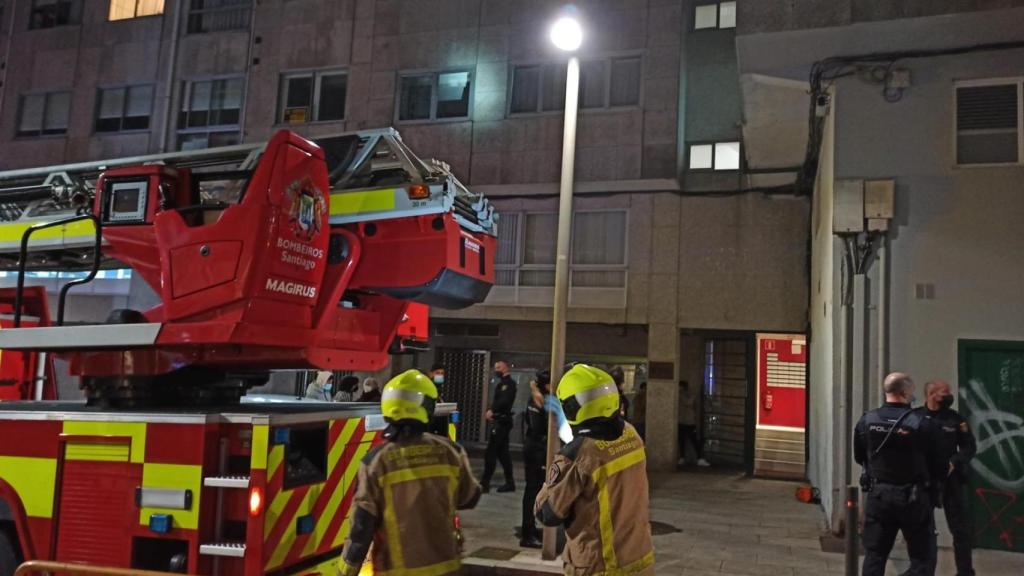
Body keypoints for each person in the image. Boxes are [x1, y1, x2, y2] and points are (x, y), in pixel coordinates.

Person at [337, 370, 482, 576]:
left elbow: (361, 528)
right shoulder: (451, 452)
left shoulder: (376, 462)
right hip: (447, 569)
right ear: (427, 407)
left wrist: (345, 572)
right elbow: (470, 498)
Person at [534, 364, 654, 575]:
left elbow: (547, 513)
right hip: (640, 560)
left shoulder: (577, 455)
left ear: (572, 407)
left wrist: (550, 481)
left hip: (601, 566)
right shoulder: (631, 434)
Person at [854, 372, 944, 576]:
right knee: (922, 559)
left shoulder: (868, 420)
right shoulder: (922, 423)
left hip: (879, 495)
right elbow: (938, 464)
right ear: (905, 393)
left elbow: (860, 456)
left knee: (875, 555)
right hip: (914, 498)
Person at [922, 379, 977, 576]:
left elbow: (969, 446)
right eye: (945, 393)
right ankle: (924, 570)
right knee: (924, 530)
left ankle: (965, 571)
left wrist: (955, 462)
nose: (949, 396)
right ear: (931, 394)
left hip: (951, 479)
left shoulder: (955, 419)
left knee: (960, 530)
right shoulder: (917, 418)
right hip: (926, 480)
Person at [519, 369, 550, 549]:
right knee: (532, 490)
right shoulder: (537, 401)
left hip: (536, 449)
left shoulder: (539, 398)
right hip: (535, 451)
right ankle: (527, 534)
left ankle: (530, 528)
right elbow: (539, 429)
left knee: (536, 489)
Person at [481, 360, 517, 493]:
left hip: (501, 422)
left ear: (506, 368)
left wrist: (492, 410)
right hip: (500, 421)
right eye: (495, 368)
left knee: (490, 453)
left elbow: (504, 401)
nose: (496, 370)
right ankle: (510, 482)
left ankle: (485, 483)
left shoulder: (508, 384)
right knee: (503, 454)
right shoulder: (502, 383)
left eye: (499, 367)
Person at [678, 380, 710, 467]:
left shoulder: (684, 394)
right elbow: (688, 403)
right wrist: (694, 395)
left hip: (687, 421)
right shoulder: (681, 395)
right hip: (686, 421)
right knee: (685, 440)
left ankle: (689, 458)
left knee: (691, 440)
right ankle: (692, 458)